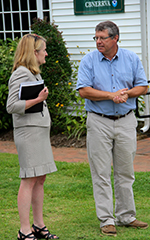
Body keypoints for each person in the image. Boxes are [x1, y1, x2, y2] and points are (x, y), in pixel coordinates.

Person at [76, 21, 149, 236]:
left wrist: (127, 94)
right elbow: (84, 91)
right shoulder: (89, 60)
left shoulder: (131, 58)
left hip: (126, 120)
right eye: (96, 38)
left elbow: (143, 86)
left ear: (115, 38)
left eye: (102, 38)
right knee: (101, 173)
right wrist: (111, 95)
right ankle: (106, 220)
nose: (98, 42)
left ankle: (126, 216)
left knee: (125, 172)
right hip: (98, 121)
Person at [6, 34, 59, 240]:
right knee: (28, 179)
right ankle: (24, 230)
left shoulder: (33, 73)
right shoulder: (21, 73)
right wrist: (38, 99)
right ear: (33, 52)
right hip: (28, 134)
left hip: (39, 133)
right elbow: (11, 106)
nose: (46, 53)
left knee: (40, 179)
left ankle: (38, 225)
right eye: (43, 50)